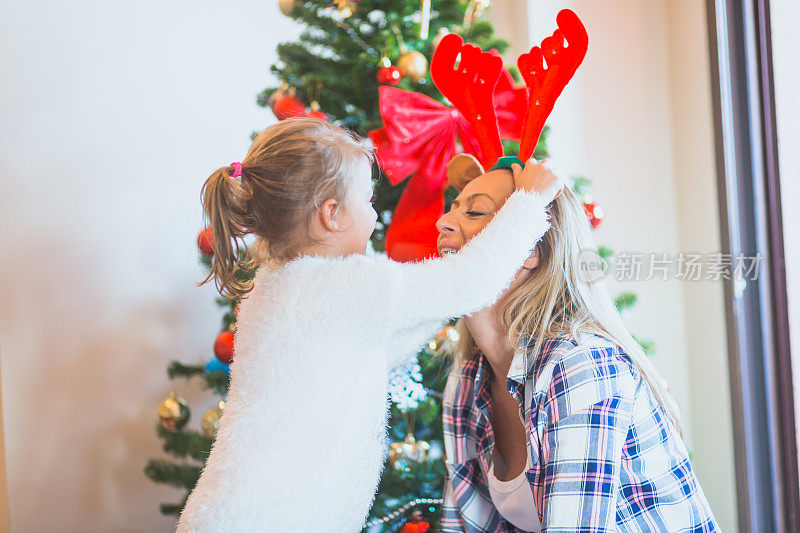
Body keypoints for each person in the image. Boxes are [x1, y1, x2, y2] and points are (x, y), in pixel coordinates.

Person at [176, 117, 563, 532]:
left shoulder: (279, 285)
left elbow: (379, 348)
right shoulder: (339, 287)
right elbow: (469, 282)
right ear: (331, 215)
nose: (376, 215)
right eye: (368, 200)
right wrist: (527, 202)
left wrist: (446, 299)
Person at [437, 162, 720, 532]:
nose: (442, 221)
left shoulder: (580, 364)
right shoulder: (469, 379)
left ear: (530, 249)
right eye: (452, 206)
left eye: (474, 211)